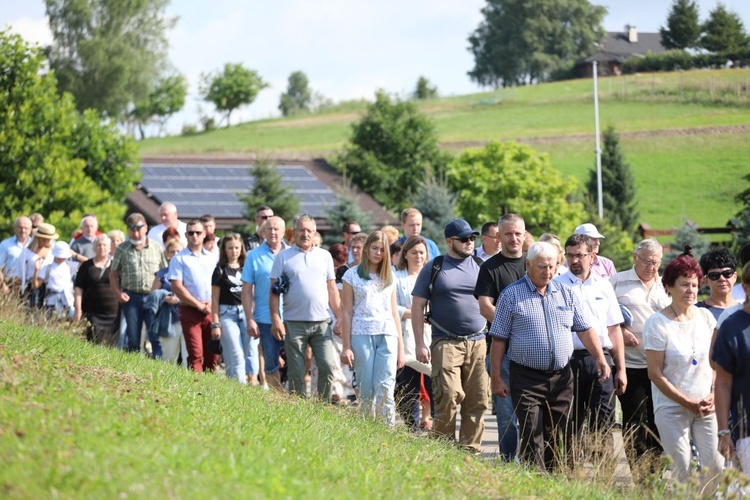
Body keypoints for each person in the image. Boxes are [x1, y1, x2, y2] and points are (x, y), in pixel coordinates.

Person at [489, 242, 610, 470]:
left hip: (562, 378)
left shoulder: (566, 293)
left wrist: (600, 358)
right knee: (533, 434)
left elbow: (584, 329)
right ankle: (535, 484)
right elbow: (498, 339)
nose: (548, 272)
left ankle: (556, 483)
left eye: (552, 267)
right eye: (542, 267)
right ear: (528, 265)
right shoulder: (511, 295)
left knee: (559, 435)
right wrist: (496, 377)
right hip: (526, 377)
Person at [643, 250, 723, 491]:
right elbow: (655, 374)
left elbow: (715, 362)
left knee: (716, 464)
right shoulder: (657, 323)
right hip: (671, 407)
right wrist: (687, 402)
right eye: (684, 285)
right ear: (669, 286)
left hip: (706, 405)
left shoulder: (706, 317)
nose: (691, 290)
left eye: (695, 285)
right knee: (683, 466)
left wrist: (712, 393)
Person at [412, 218, 488, 454]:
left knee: (477, 399)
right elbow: (417, 307)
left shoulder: (480, 265)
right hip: (445, 341)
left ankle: (469, 452)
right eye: (463, 239)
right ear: (449, 241)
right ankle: (444, 449)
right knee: (447, 394)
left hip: (478, 341)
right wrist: (419, 344)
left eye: (471, 238)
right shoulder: (434, 267)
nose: (469, 242)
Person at [554, 234, 626, 443]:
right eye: (570, 255)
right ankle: (570, 470)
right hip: (568, 362)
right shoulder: (556, 286)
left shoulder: (604, 286)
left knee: (603, 422)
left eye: (580, 255)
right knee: (570, 423)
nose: (574, 260)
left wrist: (620, 368)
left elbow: (614, 329)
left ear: (592, 256)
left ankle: (602, 472)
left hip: (601, 361)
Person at [609, 238, 670, 473]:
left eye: (656, 263)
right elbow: (604, 317)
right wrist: (621, 331)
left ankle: (653, 472)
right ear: (635, 257)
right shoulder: (617, 282)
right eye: (646, 261)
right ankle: (639, 472)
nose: (651, 267)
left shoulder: (666, 285)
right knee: (635, 419)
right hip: (630, 365)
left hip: (661, 368)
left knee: (659, 421)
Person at [269, 214, 342, 402]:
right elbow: (274, 291)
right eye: (301, 229)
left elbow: (332, 289)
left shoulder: (325, 256)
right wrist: (276, 318)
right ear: (294, 232)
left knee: (327, 365)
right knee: (296, 370)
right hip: (294, 322)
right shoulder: (283, 257)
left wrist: (340, 316)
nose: (305, 234)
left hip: (321, 322)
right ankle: (298, 407)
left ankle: (323, 406)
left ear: (315, 233)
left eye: (309, 230)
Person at [474, 213, 527, 462]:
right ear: (499, 236)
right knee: (506, 414)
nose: (513, 238)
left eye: (518, 233)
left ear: (524, 235)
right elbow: (485, 307)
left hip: (533, 355)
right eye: (508, 233)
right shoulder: (489, 268)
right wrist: (517, 327)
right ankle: (509, 462)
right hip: (502, 352)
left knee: (531, 413)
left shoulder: (534, 265)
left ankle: (533, 461)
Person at [340, 231, 404, 424]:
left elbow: (394, 312)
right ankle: (368, 430)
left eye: (382, 249)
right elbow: (346, 312)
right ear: (366, 248)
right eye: (375, 248)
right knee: (366, 388)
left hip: (388, 334)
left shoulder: (389, 276)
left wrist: (401, 348)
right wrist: (346, 346)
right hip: (361, 333)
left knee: (386, 386)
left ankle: (388, 431)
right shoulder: (351, 275)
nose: (378, 253)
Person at [243, 216, 288, 391]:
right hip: (265, 318)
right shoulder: (253, 256)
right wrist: (249, 319)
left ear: (284, 231)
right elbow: (246, 290)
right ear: (263, 232)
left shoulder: (292, 254)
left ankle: (293, 399)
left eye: (277, 229)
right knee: (271, 362)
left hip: (292, 316)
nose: (273, 232)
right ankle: (277, 400)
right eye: (269, 229)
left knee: (295, 361)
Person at [110, 213, 167, 354]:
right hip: (131, 297)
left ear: (146, 228)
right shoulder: (122, 248)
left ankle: (159, 368)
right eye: (132, 229)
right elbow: (113, 273)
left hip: (153, 297)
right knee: (133, 339)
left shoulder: (156, 247)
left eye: (139, 229)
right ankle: (132, 370)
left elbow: (164, 273)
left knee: (155, 337)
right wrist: (118, 293)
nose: (136, 233)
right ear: (128, 230)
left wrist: (163, 295)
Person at [713, 262, 750, 473]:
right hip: (746, 431)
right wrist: (723, 432)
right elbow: (723, 383)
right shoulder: (732, 326)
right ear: (745, 288)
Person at [394, 235, 433, 431]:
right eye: (414, 252)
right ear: (406, 254)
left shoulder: (433, 276)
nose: (418, 256)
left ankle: (436, 424)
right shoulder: (397, 277)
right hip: (405, 336)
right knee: (408, 386)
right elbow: (393, 307)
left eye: (421, 253)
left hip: (429, 335)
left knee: (432, 382)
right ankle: (412, 426)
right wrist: (416, 314)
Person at [169, 220, 218, 372]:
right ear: (186, 235)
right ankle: (196, 387)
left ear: (204, 234)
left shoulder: (212, 258)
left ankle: (210, 388)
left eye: (198, 232)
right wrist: (198, 305)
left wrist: (211, 304)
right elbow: (177, 287)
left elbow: (218, 284)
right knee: (195, 353)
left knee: (213, 354)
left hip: (211, 309)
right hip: (190, 310)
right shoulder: (179, 258)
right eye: (191, 233)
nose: (194, 236)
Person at [212, 233, 253, 384]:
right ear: (224, 250)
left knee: (245, 353)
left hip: (245, 312)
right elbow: (214, 299)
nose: (234, 251)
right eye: (230, 248)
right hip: (227, 314)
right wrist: (215, 323)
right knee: (236, 352)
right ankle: (242, 390)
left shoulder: (246, 268)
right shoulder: (220, 270)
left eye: (236, 248)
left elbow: (251, 293)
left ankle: (231, 386)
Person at [74, 235, 119, 346]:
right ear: (94, 248)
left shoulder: (115, 266)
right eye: (99, 245)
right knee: (94, 342)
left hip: (113, 314)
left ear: (110, 248)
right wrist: (78, 309)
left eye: (104, 245)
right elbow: (78, 288)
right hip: (92, 313)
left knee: (111, 346)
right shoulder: (86, 266)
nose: (102, 248)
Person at [150, 239, 186, 365]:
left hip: (188, 316)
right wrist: (165, 297)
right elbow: (153, 294)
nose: (176, 254)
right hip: (169, 319)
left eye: (179, 251)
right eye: (172, 251)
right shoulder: (162, 273)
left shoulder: (190, 271)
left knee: (190, 357)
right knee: (169, 357)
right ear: (167, 254)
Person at [19, 222, 58, 308]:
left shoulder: (53, 251)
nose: (46, 242)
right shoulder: (26, 252)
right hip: (30, 285)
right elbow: (21, 271)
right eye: (43, 239)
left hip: (49, 285)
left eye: (48, 239)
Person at [696, 247, 740, 321]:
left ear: (735, 277)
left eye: (727, 273)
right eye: (714, 275)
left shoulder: (745, 310)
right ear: (706, 281)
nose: (722, 279)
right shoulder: (696, 312)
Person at [42, 241, 75, 319]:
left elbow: (86, 262)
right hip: (51, 300)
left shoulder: (70, 266)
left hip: (67, 300)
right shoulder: (47, 266)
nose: (60, 259)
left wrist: (74, 254)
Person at [0, 216, 32, 294]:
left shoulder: (35, 245)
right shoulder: (5, 244)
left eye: (26, 228)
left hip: (31, 286)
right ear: (14, 228)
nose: (23, 230)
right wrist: (2, 285)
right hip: (10, 284)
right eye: (20, 227)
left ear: (30, 230)